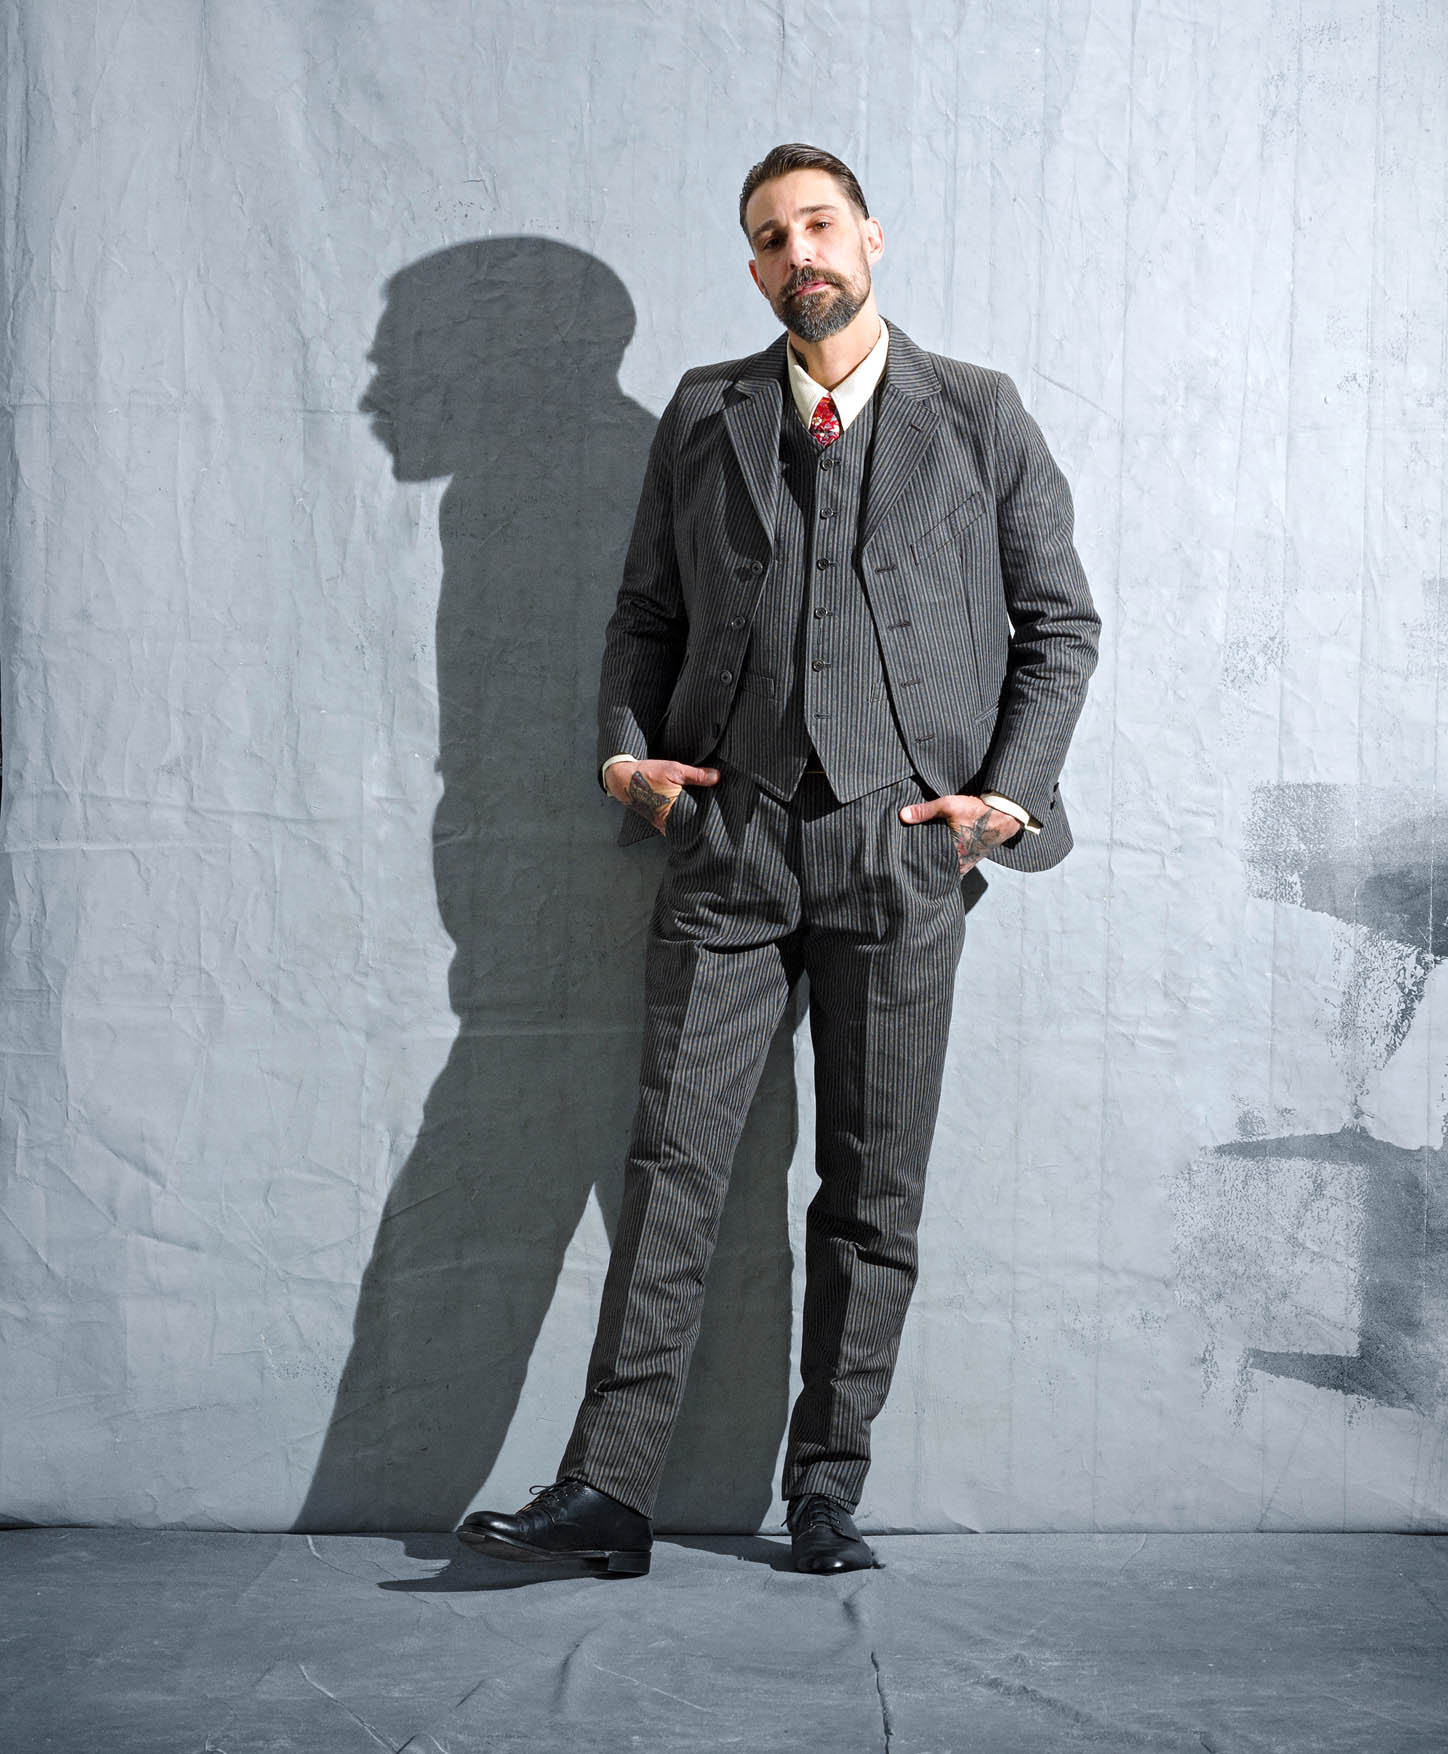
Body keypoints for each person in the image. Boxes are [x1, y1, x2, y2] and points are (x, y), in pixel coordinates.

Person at [457, 143, 1099, 1577]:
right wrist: (625, 756)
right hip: (731, 840)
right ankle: (608, 1493)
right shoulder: (708, 413)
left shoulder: (979, 415)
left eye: (818, 223)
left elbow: (1061, 624)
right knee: (673, 1168)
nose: (797, 251)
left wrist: (1000, 801)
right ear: (754, 269)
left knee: (873, 1191)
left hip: (901, 847)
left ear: (870, 237)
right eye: (769, 236)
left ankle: (826, 1492)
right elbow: (645, 613)